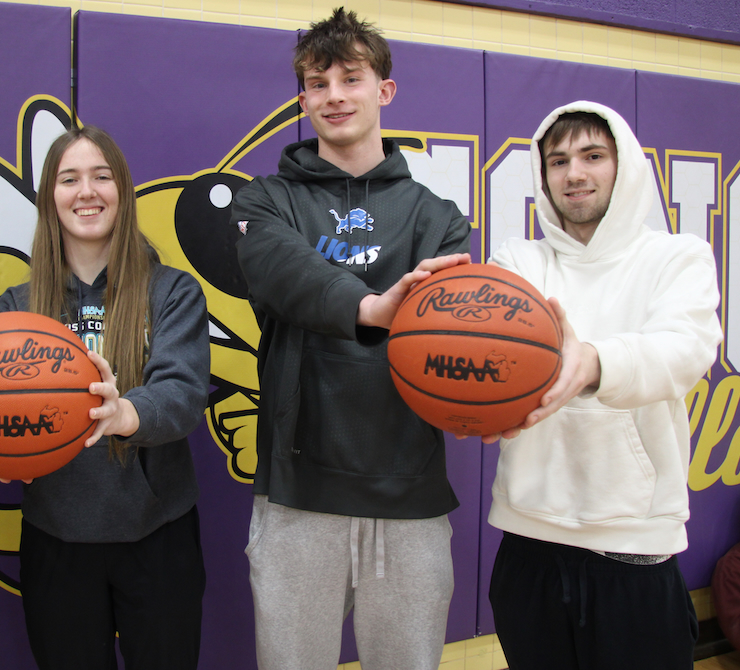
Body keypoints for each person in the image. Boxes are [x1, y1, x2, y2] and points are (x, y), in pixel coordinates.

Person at [230, 8, 472, 670]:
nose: (334, 95)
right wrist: (373, 306)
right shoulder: (265, 201)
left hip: (409, 495)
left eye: (351, 77)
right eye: (317, 82)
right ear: (303, 99)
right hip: (299, 490)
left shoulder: (440, 221)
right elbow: (285, 274)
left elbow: (454, 334)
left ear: (383, 90)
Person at [485, 100, 723, 669]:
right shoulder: (518, 259)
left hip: (633, 546)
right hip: (529, 543)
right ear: (543, 177)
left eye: (593, 156)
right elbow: (488, 358)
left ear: (626, 166)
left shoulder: (676, 257)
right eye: (558, 160)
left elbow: (683, 351)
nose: (574, 173)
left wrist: (591, 361)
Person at [0, 125, 209, 670]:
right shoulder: (16, 309)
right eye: (69, 179)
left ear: (123, 191)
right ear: (50, 198)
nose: (86, 191)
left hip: (158, 535)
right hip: (56, 536)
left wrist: (122, 413)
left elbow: (181, 395)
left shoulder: (172, 291)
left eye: (101, 176)